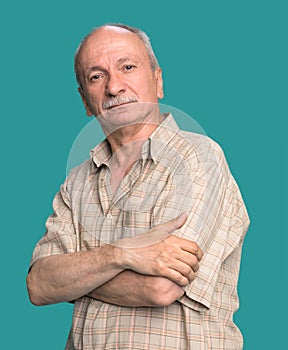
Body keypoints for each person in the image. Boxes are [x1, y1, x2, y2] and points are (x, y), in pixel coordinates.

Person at [27, 23, 250, 349]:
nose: (114, 87)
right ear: (86, 101)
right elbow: (38, 285)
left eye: (127, 67)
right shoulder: (76, 182)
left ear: (158, 80)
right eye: (96, 76)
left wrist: (77, 279)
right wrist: (121, 255)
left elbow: (160, 287)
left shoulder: (199, 159)